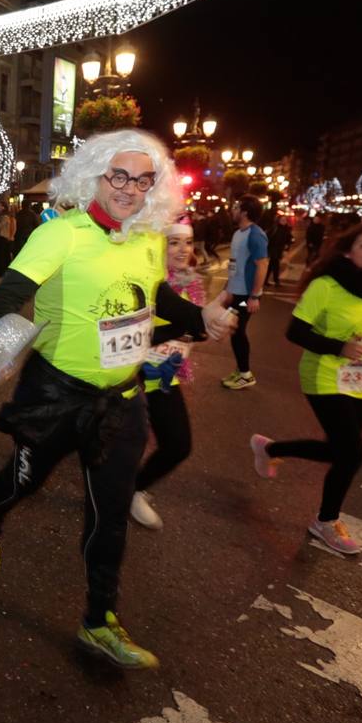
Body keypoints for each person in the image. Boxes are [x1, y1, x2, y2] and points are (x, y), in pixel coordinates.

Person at [0, 130, 234, 669]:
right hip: (56, 393)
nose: (129, 188)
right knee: (24, 481)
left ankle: (98, 621)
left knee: (110, 513)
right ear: (95, 175)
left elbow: (153, 297)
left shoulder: (149, 240)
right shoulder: (62, 233)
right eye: (119, 175)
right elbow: (11, 290)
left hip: (123, 398)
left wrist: (197, 318)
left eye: (142, 179)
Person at [250, 221, 362, 554]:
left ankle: (271, 450)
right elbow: (296, 332)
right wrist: (340, 348)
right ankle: (325, 521)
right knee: (352, 453)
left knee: (339, 450)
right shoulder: (327, 285)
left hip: (361, 379)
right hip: (323, 374)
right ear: (349, 252)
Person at [129, 217, 209, 531]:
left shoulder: (191, 280)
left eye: (187, 243)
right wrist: (187, 326)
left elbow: (196, 328)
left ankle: (132, 487)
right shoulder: (145, 280)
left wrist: (201, 326)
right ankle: (125, 489)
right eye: (173, 242)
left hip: (165, 369)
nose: (181, 250)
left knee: (173, 442)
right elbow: (136, 334)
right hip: (137, 367)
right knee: (162, 441)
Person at [221, 196, 270, 390]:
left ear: (245, 212)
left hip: (245, 295)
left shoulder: (255, 234)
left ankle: (245, 374)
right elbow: (236, 265)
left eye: (236, 207)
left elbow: (262, 264)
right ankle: (241, 371)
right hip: (236, 291)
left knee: (238, 331)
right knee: (235, 331)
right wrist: (227, 287)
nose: (232, 209)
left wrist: (254, 296)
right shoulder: (238, 233)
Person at [266, 212, 291, 287]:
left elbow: (289, 239)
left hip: (279, 250)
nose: (284, 221)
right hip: (273, 250)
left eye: (285, 220)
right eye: (282, 220)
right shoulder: (275, 228)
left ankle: (266, 280)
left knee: (271, 266)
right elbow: (268, 237)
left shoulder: (286, 229)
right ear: (278, 221)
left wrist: (287, 246)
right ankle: (276, 281)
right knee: (275, 265)